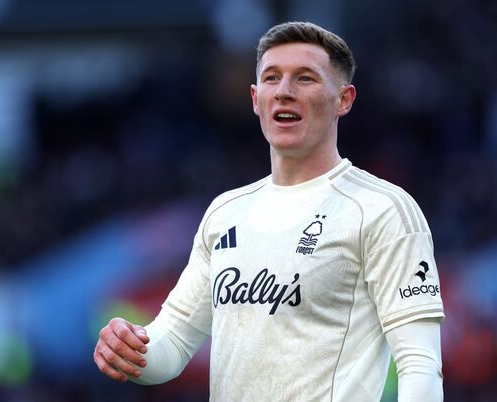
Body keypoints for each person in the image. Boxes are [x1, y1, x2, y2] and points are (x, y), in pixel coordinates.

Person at [94, 21, 444, 401]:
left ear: (343, 99)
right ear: (255, 98)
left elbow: (420, 365)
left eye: (305, 78)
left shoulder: (382, 209)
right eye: (272, 78)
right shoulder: (225, 213)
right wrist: (132, 350)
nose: (284, 91)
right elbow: (174, 343)